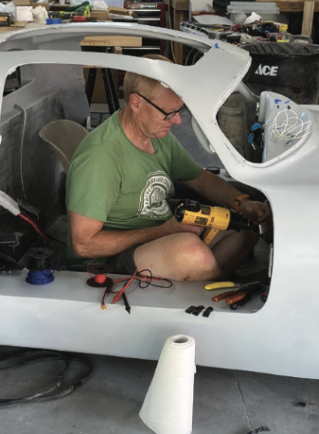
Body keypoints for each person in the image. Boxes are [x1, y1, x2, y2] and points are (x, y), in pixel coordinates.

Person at [65, 55, 271, 281]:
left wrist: (242, 203)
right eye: (168, 113)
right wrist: (163, 231)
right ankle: (210, 285)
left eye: (178, 111)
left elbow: (201, 179)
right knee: (191, 251)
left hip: (161, 235)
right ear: (136, 103)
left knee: (247, 227)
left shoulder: (157, 136)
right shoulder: (100, 156)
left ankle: (208, 281)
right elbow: (83, 245)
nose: (177, 122)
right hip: (108, 261)